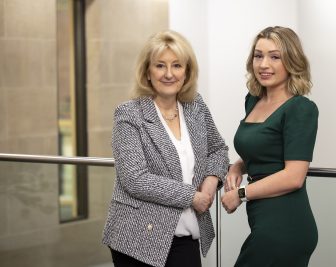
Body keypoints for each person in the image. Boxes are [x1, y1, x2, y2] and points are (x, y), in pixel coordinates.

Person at [102, 30, 229, 267]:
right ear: (147, 72)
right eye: (160, 66)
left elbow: (218, 150)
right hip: (138, 239)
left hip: (186, 235)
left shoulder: (195, 106)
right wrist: (192, 196)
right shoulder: (129, 114)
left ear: (187, 72)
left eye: (177, 66)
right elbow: (135, 178)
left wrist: (211, 183)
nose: (169, 74)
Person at [221, 26, 319, 266]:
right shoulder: (253, 100)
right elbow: (264, 151)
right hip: (262, 220)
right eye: (258, 55)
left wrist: (240, 194)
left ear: (291, 61)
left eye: (275, 57)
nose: (264, 64)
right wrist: (237, 167)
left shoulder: (301, 109)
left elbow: (294, 176)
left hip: (287, 225)